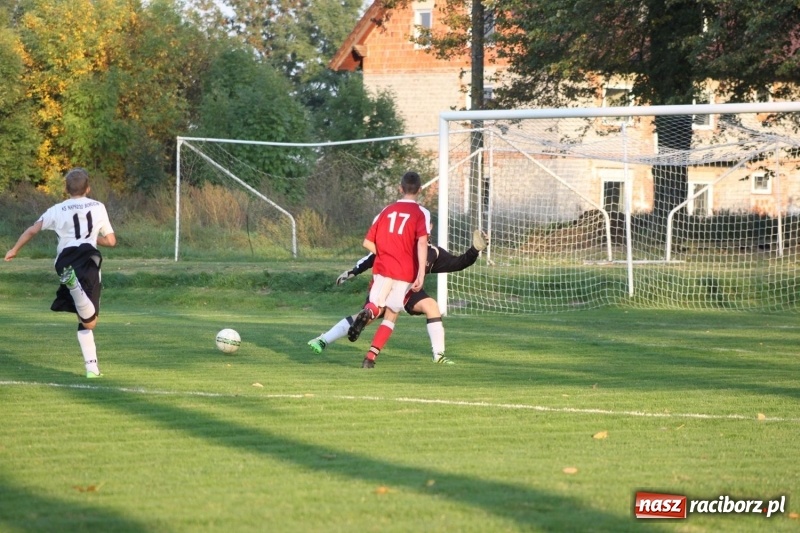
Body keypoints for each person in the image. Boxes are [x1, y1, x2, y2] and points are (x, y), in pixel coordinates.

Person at [307, 229, 488, 364]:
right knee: (375, 316)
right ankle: (327, 340)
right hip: (386, 286)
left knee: (431, 306)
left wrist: (474, 250)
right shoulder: (400, 245)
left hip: (409, 291)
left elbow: (458, 263)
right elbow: (372, 257)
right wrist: (353, 271)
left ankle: (438, 356)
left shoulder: (433, 252)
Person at [4, 168, 117, 378]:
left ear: (66, 189)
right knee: (90, 321)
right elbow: (111, 241)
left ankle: (92, 369)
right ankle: (74, 287)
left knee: (84, 318)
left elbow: (32, 230)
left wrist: (14, 250)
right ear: (88, 188)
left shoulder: (57, 209)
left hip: (65, 261)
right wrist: (91, 238)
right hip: (89, 259)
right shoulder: (98, 207)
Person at [348, 171, 429, 369]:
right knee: (392, 314)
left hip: (383, 268)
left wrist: (384, 253)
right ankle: (370, 358)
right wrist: (421, 274)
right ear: (419, 190)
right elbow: (422, 243)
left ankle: (367, 313)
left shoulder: (386, 210)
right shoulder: (421, 213)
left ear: (400, 188)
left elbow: (367, 242)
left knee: (375, 305)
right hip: (405, 270)